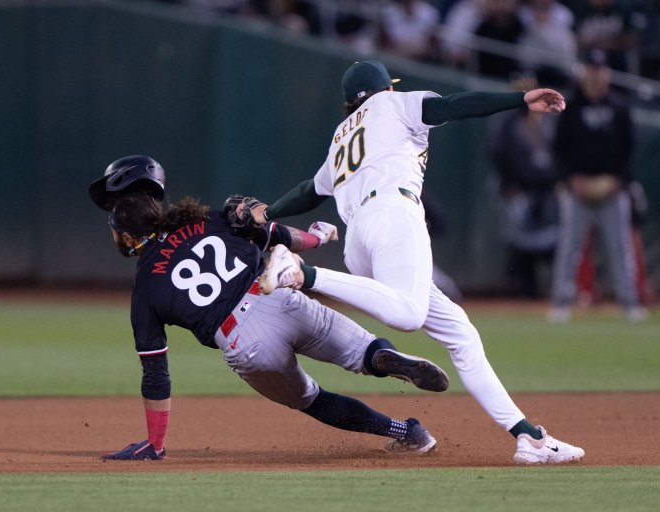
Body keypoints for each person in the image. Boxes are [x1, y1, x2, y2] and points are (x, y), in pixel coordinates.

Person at [251, 60, 585, 464]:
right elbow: (454, 105)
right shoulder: (395, 105)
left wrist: (268, 215)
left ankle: (528, 438)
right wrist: (520, 99)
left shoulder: (342, 136)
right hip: (393, 214)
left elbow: (310, 190)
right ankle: (301, 273)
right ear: (383, 89)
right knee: (408, 315)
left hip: (359, 239)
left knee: (462, 335)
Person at [88, 155, 450, 460]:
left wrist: (155, 443)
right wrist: (319, 237)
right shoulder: (208, 220)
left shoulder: (146, 285)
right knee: (362, 350)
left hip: (245, 343)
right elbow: (279, 236)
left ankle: (407, 432)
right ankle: (384, 360)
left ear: (127, 234)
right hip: (275, 296)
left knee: (314, 400)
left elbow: (156, 375)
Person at [548, 49, 648, 322]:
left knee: (620, 247)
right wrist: (570, 180)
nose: (595, 75)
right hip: (577, 189)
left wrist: (617, 180)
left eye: (600, 70)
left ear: (607, 73)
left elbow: (631, 149)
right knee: (570, 248)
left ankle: (630, 304)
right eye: (591, 69)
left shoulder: (619, 105)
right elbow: (558, 149)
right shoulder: (570, 105)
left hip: (612, 189)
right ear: (584, 72)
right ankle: (561, 304)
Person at [489, 72, 561, 298]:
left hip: (547, 191)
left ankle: (555, 290)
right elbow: (498, 154)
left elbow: (560, 154)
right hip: (518, 191)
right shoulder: (507, 123)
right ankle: (522, 287)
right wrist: (510, 183)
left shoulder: (548, 121)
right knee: (520, 243)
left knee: (554, 242)